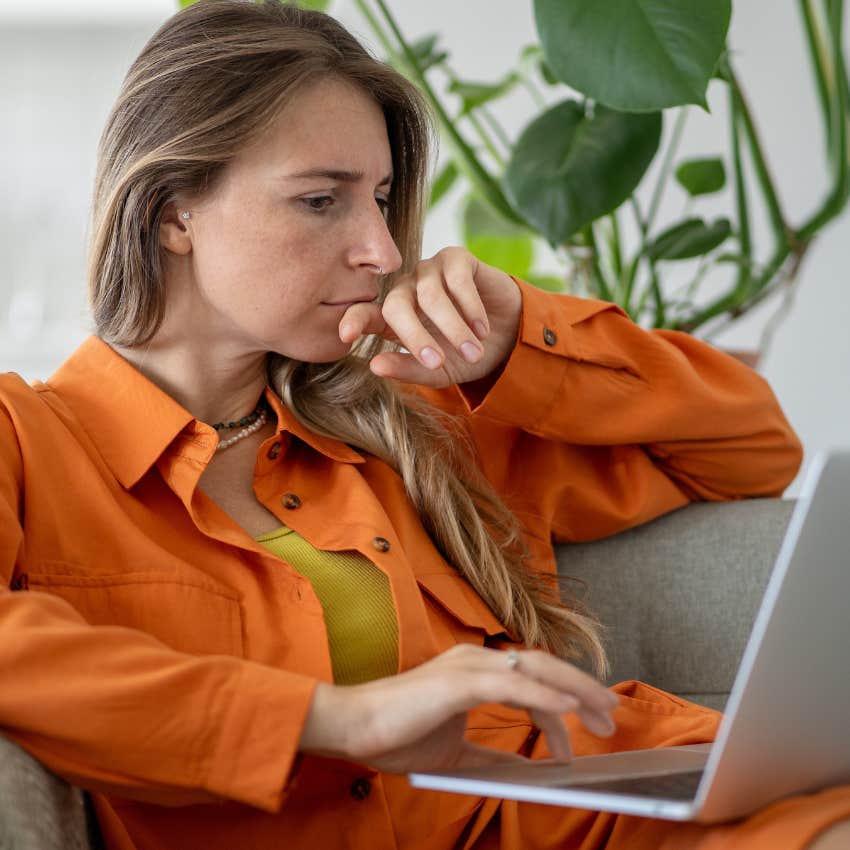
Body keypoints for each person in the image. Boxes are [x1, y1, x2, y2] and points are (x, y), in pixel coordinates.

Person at [1, 1, 849, 848]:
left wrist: (520, 335)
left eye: (380, 198)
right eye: (320, 199)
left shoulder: (417, 418)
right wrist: (332, 718)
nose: (380, 248)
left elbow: (750, 449)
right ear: (172, 214)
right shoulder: (26, 442)